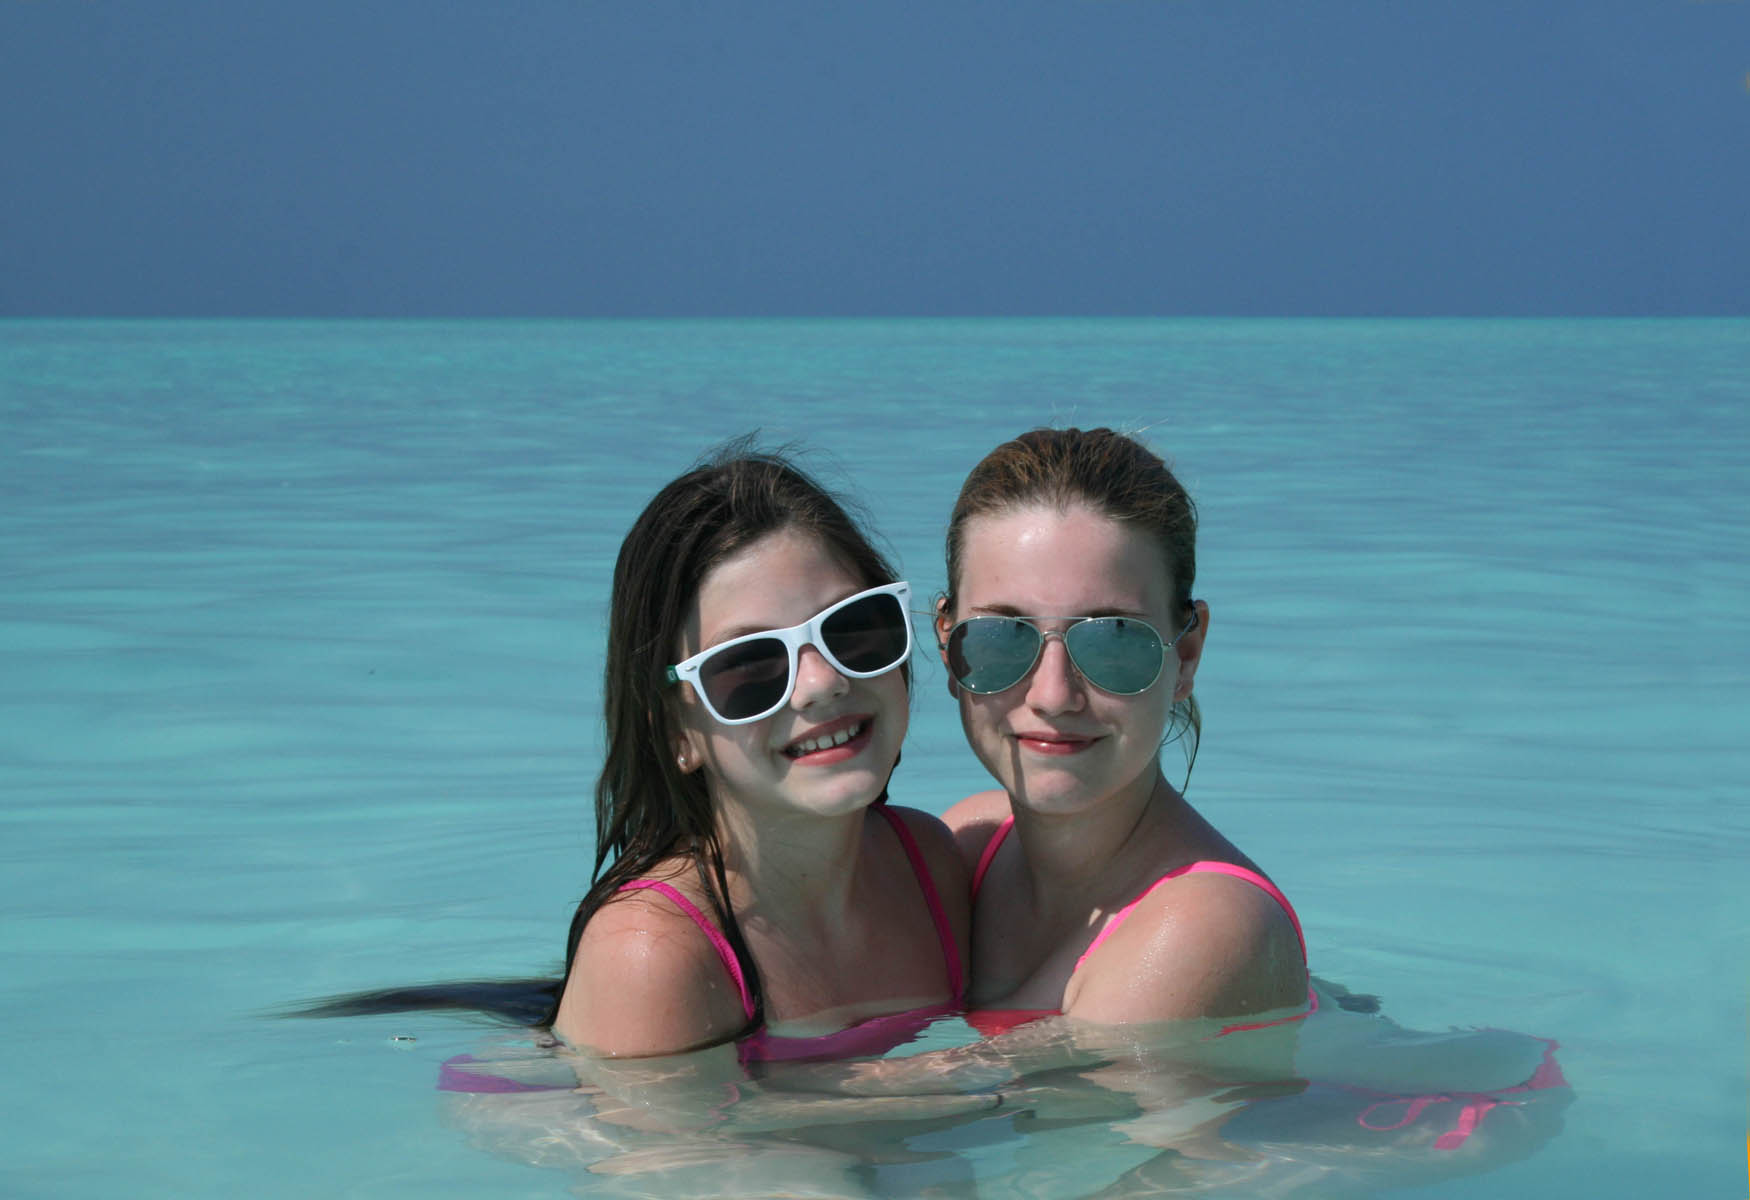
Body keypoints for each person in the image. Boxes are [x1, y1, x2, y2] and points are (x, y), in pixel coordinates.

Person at [549, 446, 968, 1060]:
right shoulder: (651, 955)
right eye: (749, 665)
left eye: (852, 627)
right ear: (678, 734)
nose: (821, 683)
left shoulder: (931, 864)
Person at [937, 427, 1311, 1033]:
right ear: (948, 645)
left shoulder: (1203, 925)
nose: (1052, 695)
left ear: (1185, 655)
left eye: (1113, 642)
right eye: (1002, 638)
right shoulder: (967, 848)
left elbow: (964, 1089)